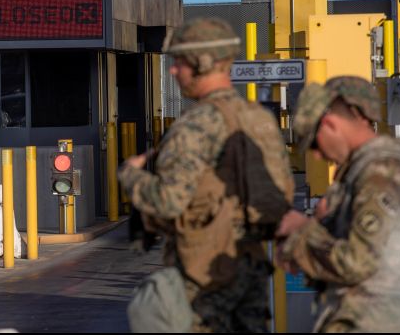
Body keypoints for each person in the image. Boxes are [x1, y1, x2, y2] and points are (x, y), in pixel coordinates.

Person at [118, 18, 294, 332]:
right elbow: (281, 196)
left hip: (202, 281)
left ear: (201, 62)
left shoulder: (195, 125)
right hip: (250, 272)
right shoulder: (260, 119)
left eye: (179, 62)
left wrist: (131, 175)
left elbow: (168, 202)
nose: (173, 71)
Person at [276, 76, 400, 332]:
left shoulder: (379, 174)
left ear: (330, 124)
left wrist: (302, 233)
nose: (317, 155)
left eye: (314, 143)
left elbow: (358, 262)